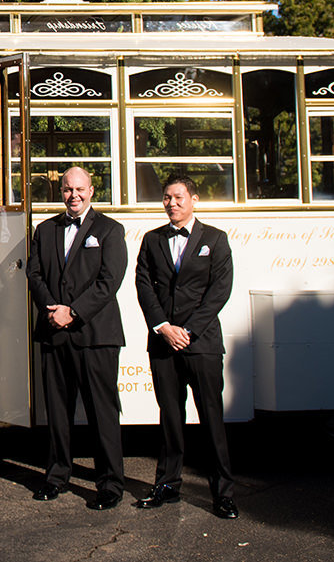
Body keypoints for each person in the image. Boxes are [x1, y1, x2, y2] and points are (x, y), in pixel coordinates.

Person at [133, 174, 238, 519]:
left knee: (211, 419)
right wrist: (163, 327)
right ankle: (167, 484)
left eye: (178, 197)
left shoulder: (216, 240)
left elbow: (219, 291)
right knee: (170, 418)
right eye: (166, 198)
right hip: (164, 343)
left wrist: (188, 330)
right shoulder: (151, 240)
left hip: (202, 343)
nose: (172, 204)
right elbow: (144, 286)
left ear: (193, 199)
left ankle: (222, 493)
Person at [26, 166, 128, 509]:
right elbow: (34, 272)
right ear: (61, 192)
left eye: (80, 189)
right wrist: (52, 310)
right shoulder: (45, 230)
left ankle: (111, 484)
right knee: (57, 411)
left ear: (92, 191)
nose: (74, 195)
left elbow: (109, 281)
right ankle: (56, 476)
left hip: (95, 335)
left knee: (103, 412)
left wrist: (73, 311)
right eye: (68, 189)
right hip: (54, 333)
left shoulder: (111, 230)